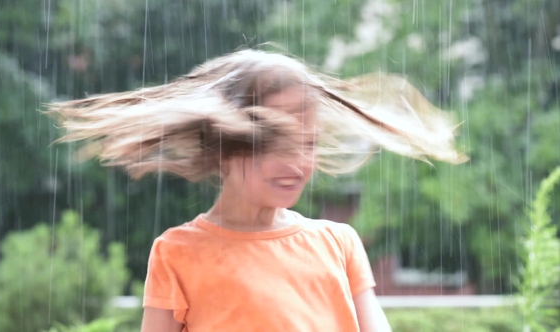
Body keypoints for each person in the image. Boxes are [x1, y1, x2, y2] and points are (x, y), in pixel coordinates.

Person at [47, 49, 467, 332]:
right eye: (274, 144)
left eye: (308, 144)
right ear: (224, 146)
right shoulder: (176, 252)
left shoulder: (339, 243)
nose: (297, 163)